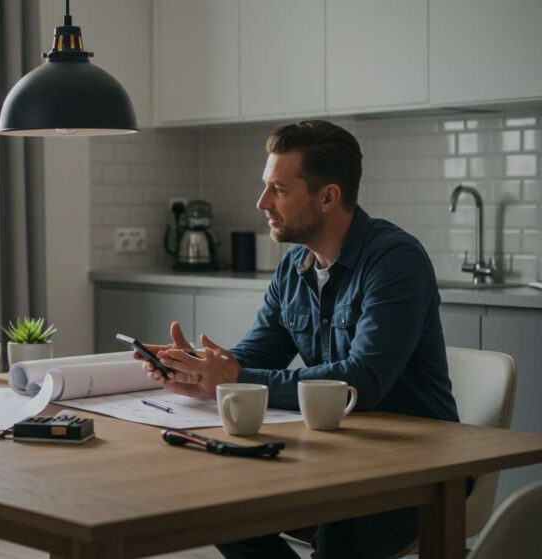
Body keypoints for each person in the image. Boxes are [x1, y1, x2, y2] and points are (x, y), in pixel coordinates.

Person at [138, 120, 463, 559]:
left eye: (279, 190)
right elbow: (254, 354)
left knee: (338, 538)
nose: (262, 203)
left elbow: (361, 381)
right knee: (223, 511)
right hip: (334, 454)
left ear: (328, 196)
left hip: (416, 467)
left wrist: (233, 378)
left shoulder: (395, 260)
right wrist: (195, 367)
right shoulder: (294, 267)